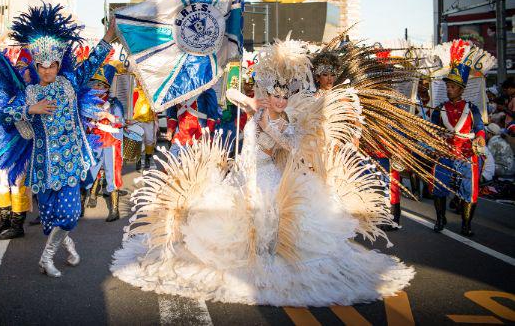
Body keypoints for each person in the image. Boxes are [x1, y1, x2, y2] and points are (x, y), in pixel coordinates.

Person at [112, 38, 414, 307]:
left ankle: (269, 263)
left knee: (268, 222)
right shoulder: (256, 110)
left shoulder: (285, 122)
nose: (280, 101)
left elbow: (293, 146)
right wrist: (251, 100)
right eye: (275, 96)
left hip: (268, 177)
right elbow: (231, 92)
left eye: (284, 98)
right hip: (243, 173)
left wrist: (272, 127)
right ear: (268, 95)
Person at [0, 4, 115, 278]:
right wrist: (29, 110)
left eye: (51, 65)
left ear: (58, 64)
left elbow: (93, 61)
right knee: (50, 220)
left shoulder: (70, 82)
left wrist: (109, 35)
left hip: (69, 163)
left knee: (68, 215)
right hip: (42, 166)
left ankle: (46, 258)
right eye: (41, 66)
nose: (46, 70)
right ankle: (65, 244)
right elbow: (4, 117)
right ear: (36, 65)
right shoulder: (29, 94)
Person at [430, 41, 486, 237]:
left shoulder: (472, 108)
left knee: (468, 189)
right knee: (439, 186)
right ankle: (440, 219)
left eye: (453, 86)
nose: (449, 89)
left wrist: (479, 139)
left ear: (461, 89)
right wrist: (434, 143)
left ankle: (466, 224)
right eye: (448, 85)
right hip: (445, 151)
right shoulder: (439, 109)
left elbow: (479, 128)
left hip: (466, 152)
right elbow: (433, 130)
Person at [0, 46, 35, 240]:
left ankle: (18, 225)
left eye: (24, 67)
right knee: (1, 182)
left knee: (18, 184)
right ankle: (4, 219)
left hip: (23, 146)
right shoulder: (10, 94)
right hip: (6, 144)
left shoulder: (35, 93)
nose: (20, 71)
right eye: (18, 67)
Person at [86, 62, 125, 222]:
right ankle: (89, 198)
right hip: (94, 142)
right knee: (90, 172)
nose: (96, 87)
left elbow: (121, 122)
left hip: (109, 142)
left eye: (100, 84)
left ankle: (115, 209)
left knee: (112, 174)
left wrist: (109, 117)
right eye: (95, 84)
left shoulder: (114, 103)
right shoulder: (88, 102)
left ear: (106, 86)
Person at [165, 88, 219, 159]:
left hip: (200, 134)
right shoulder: (174, 90)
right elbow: (172, 115)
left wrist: (207, 132)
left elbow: (212, 114)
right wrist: (170, 130)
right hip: (181, 134)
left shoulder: (206, 89)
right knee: (173, 164)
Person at [131, 78, 158, 172]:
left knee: (149, 140)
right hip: (137, 119)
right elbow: (130, 104)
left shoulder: (153, 92)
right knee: (138, 139)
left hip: (149, 119)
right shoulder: (135, 91)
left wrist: (156, 115)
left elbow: (156, 105)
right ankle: (138, 160)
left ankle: (147, 158)